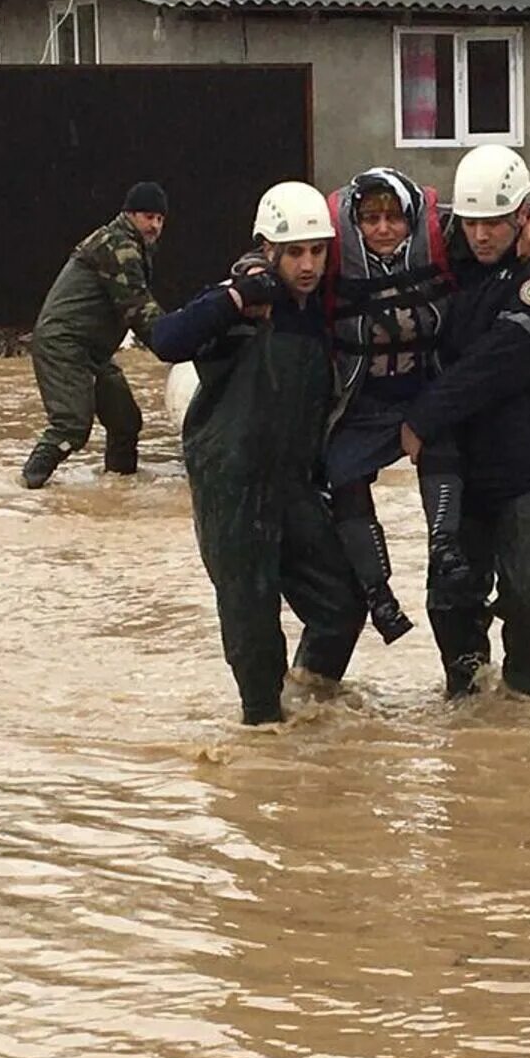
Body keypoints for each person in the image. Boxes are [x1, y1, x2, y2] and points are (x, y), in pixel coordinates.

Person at [145, 181, 366, 726]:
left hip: (291, 484)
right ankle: (264, 731)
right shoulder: (238, 305)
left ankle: (311, 703)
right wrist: (235, 298)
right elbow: (165, 340)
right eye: (295, 253)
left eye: (318, 251)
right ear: (268, 251)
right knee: (252, 620)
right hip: (232, 486)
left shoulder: (323, 308)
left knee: (343, 603)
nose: (309, 265)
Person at [318, 169, 530, 645]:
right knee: (342, 474)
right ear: (355, 221)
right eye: (371, 219)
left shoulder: (443, 240)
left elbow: (496, 219)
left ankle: (443, 544)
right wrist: (249, 277)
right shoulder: (327, 251)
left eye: (394, 219)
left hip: (423, 395)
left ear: (411, 221)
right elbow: (275, 254)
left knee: (442, 444)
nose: (383, 229)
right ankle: (378, 593)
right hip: (361, 402)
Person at [399, 146, 530, 700]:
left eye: (495, 224)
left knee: (527, 594)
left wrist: (423, 419)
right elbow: (369, 225)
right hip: (458, 463)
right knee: (450, 597)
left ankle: (524, 699)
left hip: (529, 464)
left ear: (521, 214)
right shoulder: (448, 261)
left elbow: (497, 363)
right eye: (472, 222)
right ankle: (468, 702)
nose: (481, 236)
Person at [19, 181, 168, 489]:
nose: (154, 225)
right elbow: (139, 310)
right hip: (64, 344)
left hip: (92, 351)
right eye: (148, 216)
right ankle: (27, 486)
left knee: (125, 422)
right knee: (70, 427)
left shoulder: (132, 245)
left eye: (160, 219)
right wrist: (178, 344)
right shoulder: (119, 247)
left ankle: (119, 489)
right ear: (129, 214)